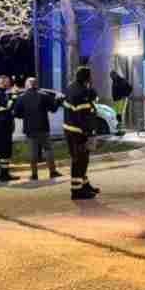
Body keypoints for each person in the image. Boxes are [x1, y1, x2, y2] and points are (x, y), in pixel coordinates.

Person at [14, 77, 62, 181]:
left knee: (33, 151)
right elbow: (53, 109)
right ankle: (52, 172)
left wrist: (25, 116)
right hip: (43, 127)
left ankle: (34, 174)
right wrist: (58, 100)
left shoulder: (21, 97)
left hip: (30, 128)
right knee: (48, 149)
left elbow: (17, 113)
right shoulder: (44, 95)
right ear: (36, 84)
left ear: (27, 85)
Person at [64, 66, 100, 200]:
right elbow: (83, 117)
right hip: (77, 132)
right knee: (79, 161)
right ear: (87, 77)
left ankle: (84, 185)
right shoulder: (81, 93)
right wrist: (88, 133)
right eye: (91, 76)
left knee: (82, 160)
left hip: (72, 130)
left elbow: (92, 97)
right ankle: (77, 191)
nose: (92, 78)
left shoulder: (73, 87)